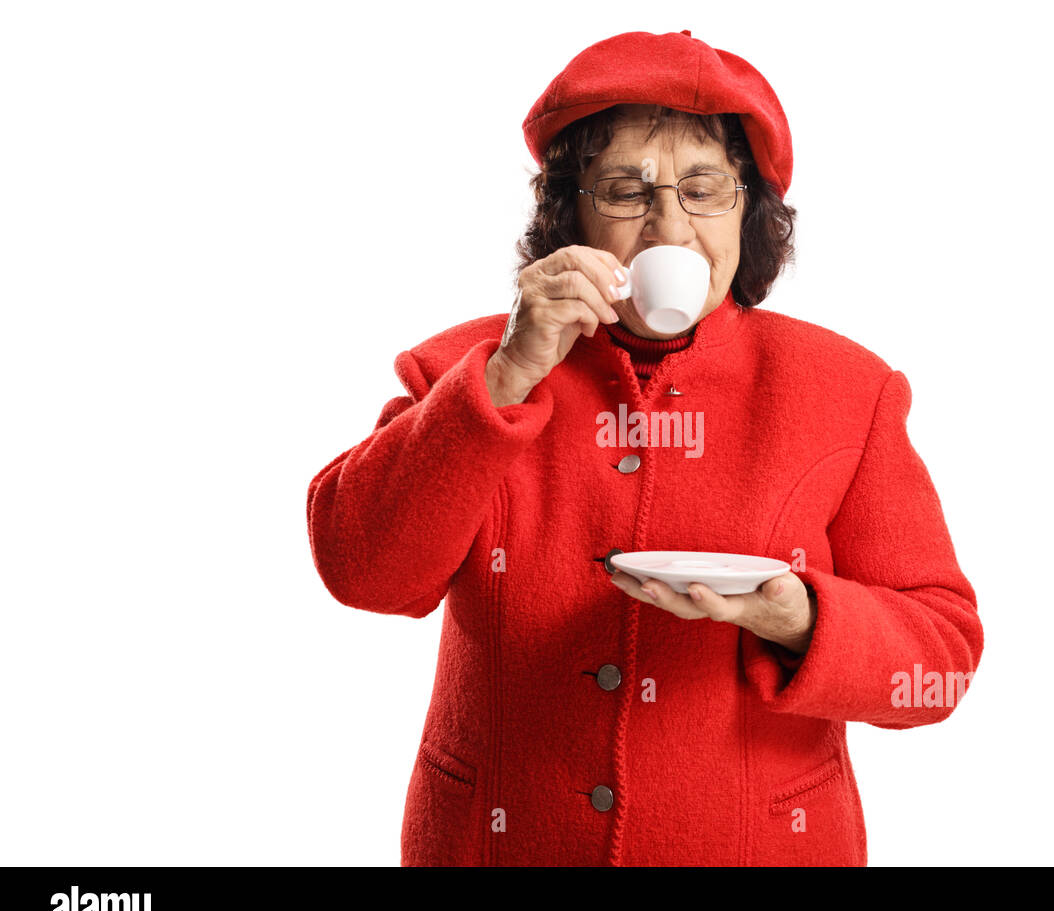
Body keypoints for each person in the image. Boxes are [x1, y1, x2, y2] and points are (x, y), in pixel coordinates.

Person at [306, 29, 983, 866]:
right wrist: (510, 372)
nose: (670, 226)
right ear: (570, 215)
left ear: (749, 212)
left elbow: (941, 662)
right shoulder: (463, 370)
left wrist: (801, 618)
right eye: (627, 190)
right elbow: (362, 571)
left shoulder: (848, 389)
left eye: (704, 190)